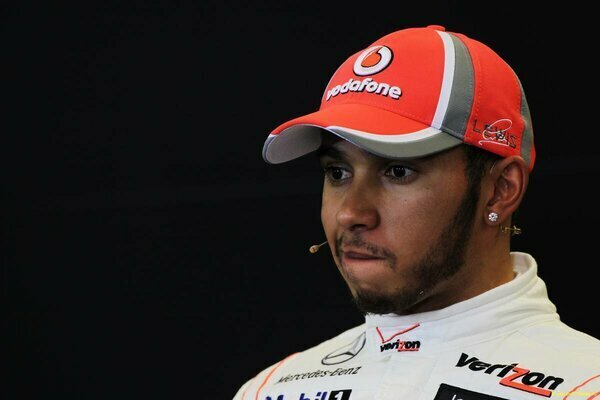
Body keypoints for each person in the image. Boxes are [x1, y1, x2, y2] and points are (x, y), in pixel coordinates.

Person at [233, 25, 600, 400]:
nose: (350, 213)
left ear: (500, 191)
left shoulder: (583, 387)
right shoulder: (268, 390)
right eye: (338, 173)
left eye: (397, 171)